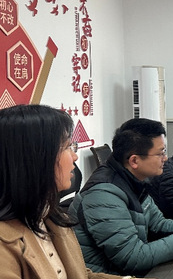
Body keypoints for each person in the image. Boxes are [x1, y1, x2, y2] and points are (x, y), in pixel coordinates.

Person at [69, 118, 173, 276]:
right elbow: (133, 257)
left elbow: (158, 223)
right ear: (134, 160)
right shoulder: (103, 195)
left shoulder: (135, 180)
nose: (165, 158)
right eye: (160, 153)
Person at [0, 104, 122, 279]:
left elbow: (80, 275)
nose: (75, 156)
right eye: (67, 147)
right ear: (36, 159)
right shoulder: (4, 245)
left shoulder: (50, 217)